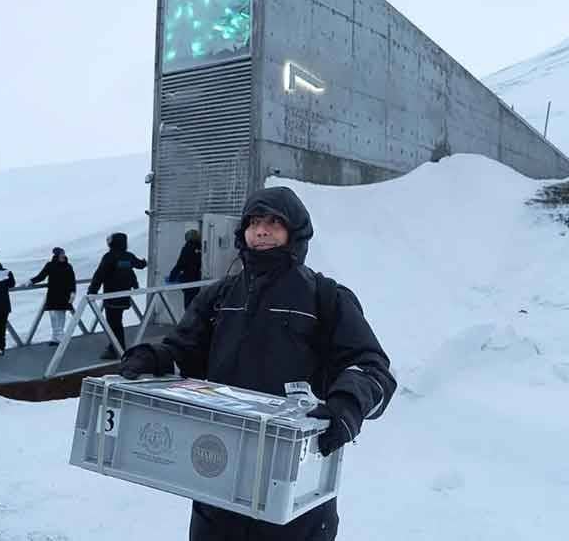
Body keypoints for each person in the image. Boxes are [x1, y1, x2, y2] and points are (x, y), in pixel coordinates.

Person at [120, 186, 397, 541]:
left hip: (295, 489)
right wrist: (155, 358)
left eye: (273, 223)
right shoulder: (220, 296)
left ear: (294, 231)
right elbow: (184, 352)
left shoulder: (326, 297)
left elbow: (372, 368)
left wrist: (347, 405)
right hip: (217, 474)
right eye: (253, 222)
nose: (261, 231)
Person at [86, 232, 147, 359]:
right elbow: (139, 265)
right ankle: (117, 346)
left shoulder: (109, 257)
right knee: (117, 322)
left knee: (114, 323)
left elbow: (99, 275)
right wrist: (144, 262)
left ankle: (117, 349)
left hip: (112, 296)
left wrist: (92, 291)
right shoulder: (128, 256)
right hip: (124, 296)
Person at [29, 247, 77, 346]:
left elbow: (72, 280)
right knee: (53, 316)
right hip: (53, 294)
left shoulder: (68, 266)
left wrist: (73, 292)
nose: (62, 255)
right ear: (56, 255)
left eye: (63, 253)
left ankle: (59, 336)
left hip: (64, 295)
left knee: (61, 316)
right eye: (60, 254)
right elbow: (41, 276)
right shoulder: (50, 265)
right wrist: (31, 281)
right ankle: (56, 337)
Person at [167, 228, 203, 308]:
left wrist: (172, 277)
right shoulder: (202, 247)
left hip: (189, 279)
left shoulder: (188, 247)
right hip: (198, 278)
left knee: (189, 304)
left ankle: (189, 319)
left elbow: (181, 263)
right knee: (197, 302)